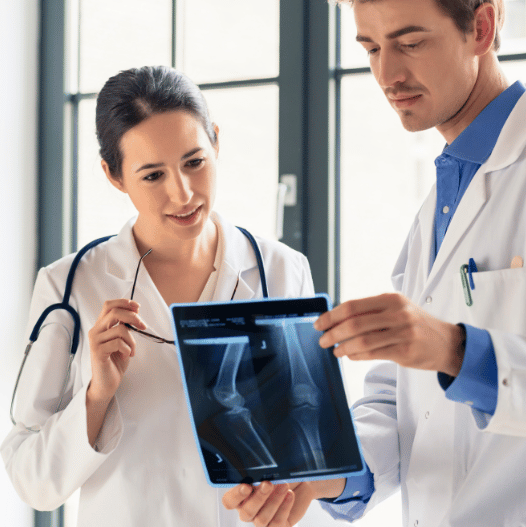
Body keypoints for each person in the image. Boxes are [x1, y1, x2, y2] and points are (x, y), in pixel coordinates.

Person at [222, 0, 526, 525]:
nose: (388, 74)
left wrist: (452, 349)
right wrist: (323, 475)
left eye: (410, 43)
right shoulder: (444, 191)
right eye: (371, 47)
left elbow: (448, 356)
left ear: (480, 29)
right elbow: (399, 401)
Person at [1, 66, 337, 527]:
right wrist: (97, 394)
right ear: (114, 176)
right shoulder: (70, 286)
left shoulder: (281, 269)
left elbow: (314, 449)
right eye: (153, 175)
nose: (182, 193)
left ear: (216, 142)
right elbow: (33, 481)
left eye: (194, 162)